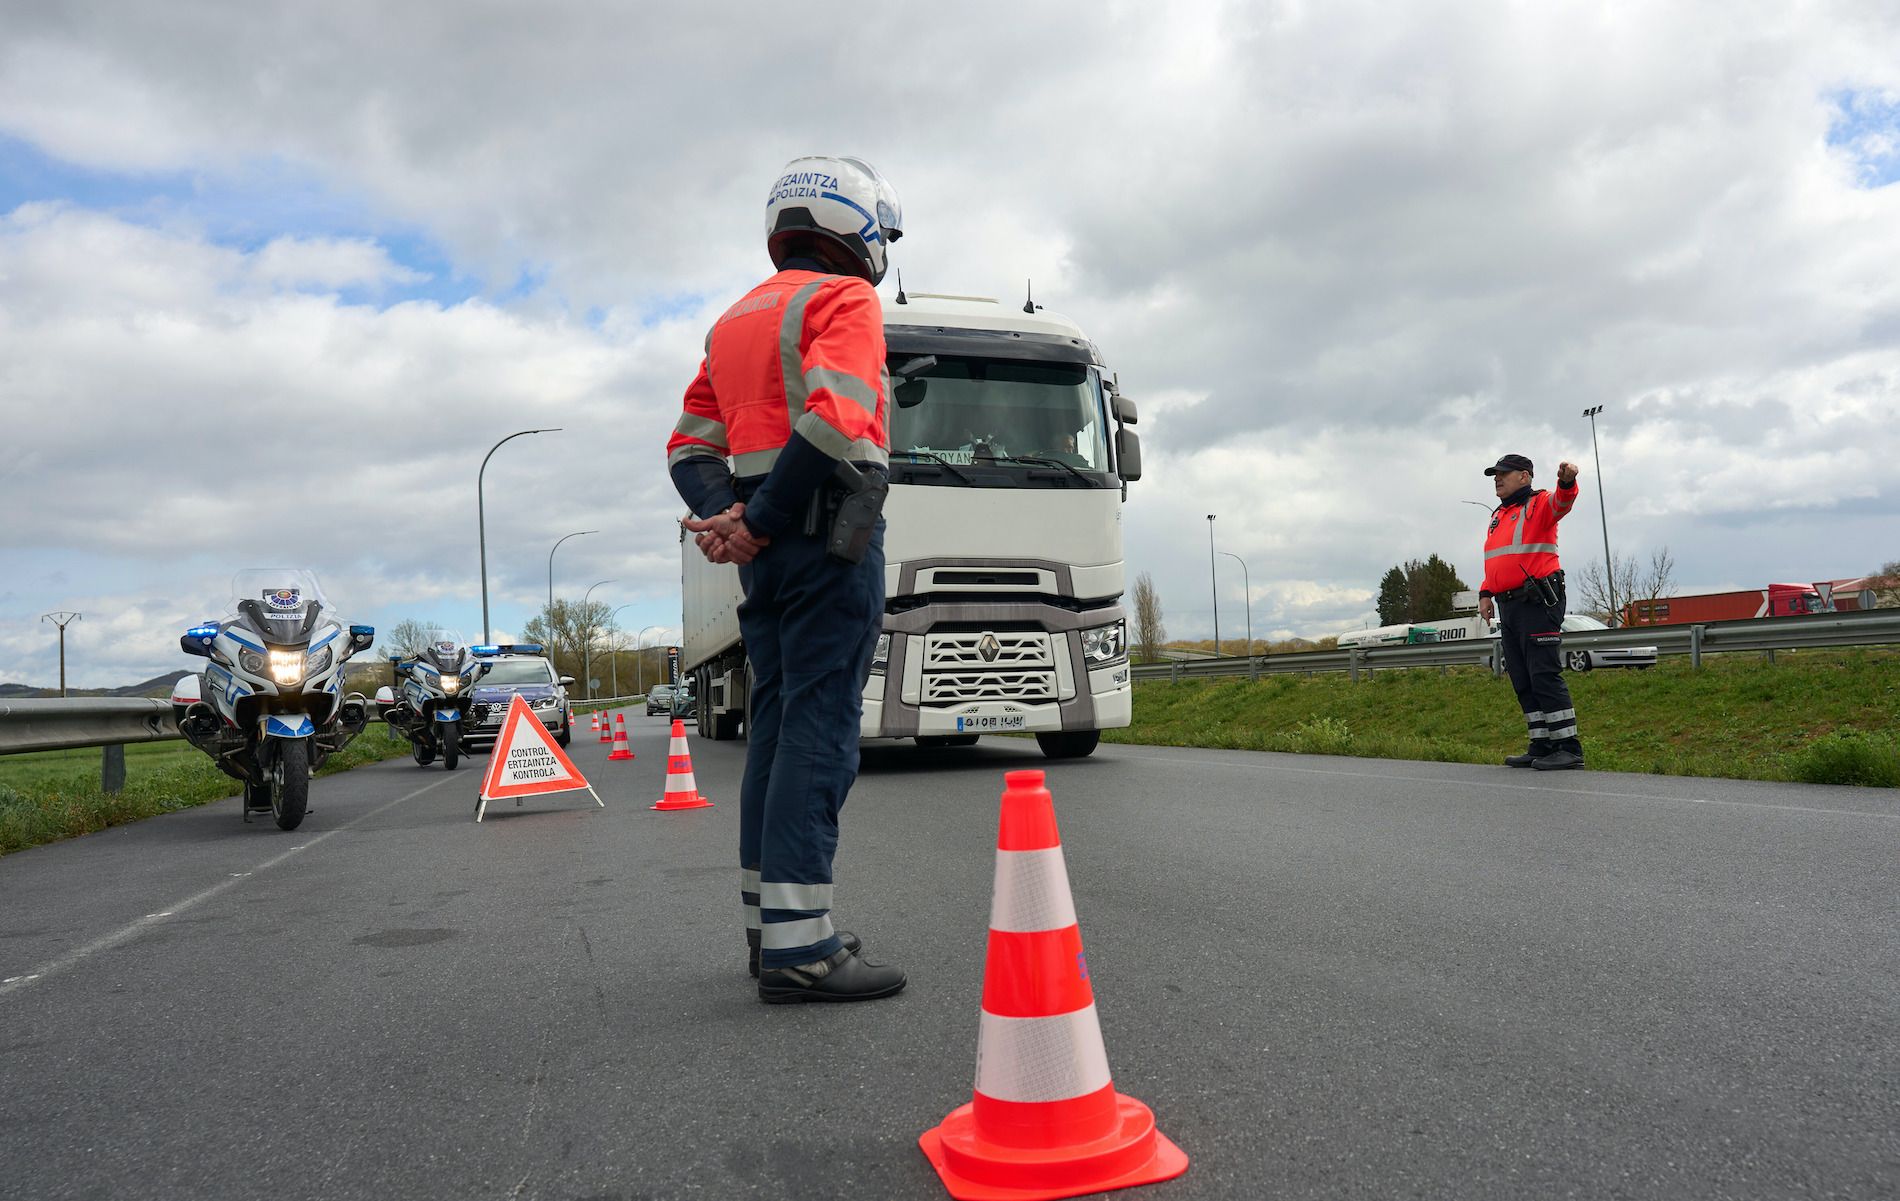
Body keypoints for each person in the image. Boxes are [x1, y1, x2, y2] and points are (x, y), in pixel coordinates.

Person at [665, 155, 906, 1003]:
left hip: (766, 558)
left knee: (773, 725)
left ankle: (773, 932)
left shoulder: (734, 320)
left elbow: (688, 447)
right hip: (827, 539)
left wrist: (733, 521)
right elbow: (839, 418)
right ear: (857, 224)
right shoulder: (846, 300)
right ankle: (806, 951)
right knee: (821, 726)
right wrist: (761, 519)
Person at [1477, 453, 1586, 770]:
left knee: (1543, 674)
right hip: (1507, 604)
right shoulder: (1498, 514)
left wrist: (1567, 481)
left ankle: (1569, 747)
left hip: (1538, 602)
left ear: (1524, 476)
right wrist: (1486, 593)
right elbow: (1496, 559)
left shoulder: (1538, 504)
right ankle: (1541, 743)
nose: (1497, 479)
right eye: (1495, 475)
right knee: (1522, 677)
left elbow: (1562, 503)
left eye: (1504, 474)